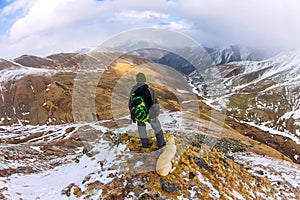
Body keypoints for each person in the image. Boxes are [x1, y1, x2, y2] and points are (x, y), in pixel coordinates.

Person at [128, 72, 166, 148]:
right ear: (144, 80)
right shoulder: (149, 90)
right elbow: (155, 102)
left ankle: (145, 145)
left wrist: (133, 115)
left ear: (137, 80)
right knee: (157, 127)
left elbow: (130, 104)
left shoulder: (133, 91)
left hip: (140, 114)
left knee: (141, 129)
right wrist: (156, 113)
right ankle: (161, 143)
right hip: (150, 113)